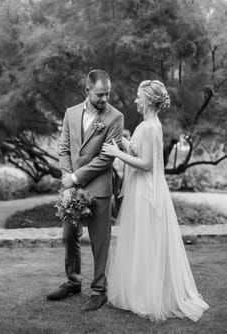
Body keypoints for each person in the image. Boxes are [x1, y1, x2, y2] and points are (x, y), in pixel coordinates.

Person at [102, 80, 209, 322]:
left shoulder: (150, 127)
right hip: (144, 188)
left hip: (145, 190)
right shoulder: (147, 125)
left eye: (139, 97)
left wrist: (117, 154)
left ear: (149, 100)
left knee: (145, 240)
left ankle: (146, 296)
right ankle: (140, 291)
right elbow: (138, 151)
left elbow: (147, 164)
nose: (135, 100)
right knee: (142, 240)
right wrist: (119, 141)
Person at [47, 69, 124, 311]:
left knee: (100, 241)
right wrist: (67, 179)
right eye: (100, 94)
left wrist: (76, 177)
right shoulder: (70, 113)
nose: (105, 99)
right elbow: (63, 148)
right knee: (69, 236)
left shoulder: (115, 117)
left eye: (108, 94)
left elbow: (105, 159)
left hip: (99, 188)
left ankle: (99, 290)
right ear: (87, 91)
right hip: (72, 187)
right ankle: (73, 281)